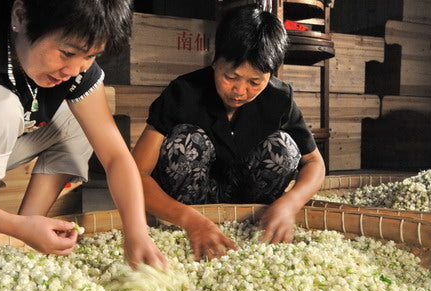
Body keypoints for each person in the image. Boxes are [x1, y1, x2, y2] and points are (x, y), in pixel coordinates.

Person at [0, 0, 167, 269]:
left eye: (91, 56)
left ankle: (25, 238)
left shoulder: (74, 60)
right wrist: (13, 225)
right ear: (20, 16)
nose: (75, 70)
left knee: (80, 122)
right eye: (67, 53)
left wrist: (137, 233)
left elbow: (116, 156)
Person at [132, 5, 326, 261]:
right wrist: (191, 221)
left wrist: (290, 203)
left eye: (255, 82)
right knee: (187, 141)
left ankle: (253, 224)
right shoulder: (183, 93)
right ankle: (195, 224)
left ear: (271, 74)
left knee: (283, 147)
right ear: (215, 61)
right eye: (231, 76)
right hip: (188, 207)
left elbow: (314, 162)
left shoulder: (279, 99)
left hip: (249, 209)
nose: (240, 90)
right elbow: (136, 173)